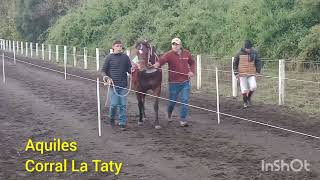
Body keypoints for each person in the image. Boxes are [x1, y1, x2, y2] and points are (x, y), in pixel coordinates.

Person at [153, 38, 195, 127]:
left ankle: (183, 120)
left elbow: (192, 63)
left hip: (185, 82)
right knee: (172, 101)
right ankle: (169, 113)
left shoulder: (186, 53)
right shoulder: (169, 54)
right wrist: (157, 64)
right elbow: (162, 60)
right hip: (174, 83)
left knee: (185, 100)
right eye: (173, 44)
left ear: (180, 45)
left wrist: (192, 71)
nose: (175, 46)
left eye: (176, 44)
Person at [102, 40, 132, 130]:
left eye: (120, 46)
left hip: (123, 85)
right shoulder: (109, 58)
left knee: (123, 105)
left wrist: (133, 70)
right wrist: (107, 78)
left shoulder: (125, 57)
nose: (119, 48)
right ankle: (111, 119)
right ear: (113, 47)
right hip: (113, 86)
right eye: (117, 46)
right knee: (114, 104)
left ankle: (122, 123)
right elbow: (103, 71)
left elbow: (129, 70)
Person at [233, 40, 261, 108]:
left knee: (253, 86)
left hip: (251, 73)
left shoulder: (254, 53)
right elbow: (235, 63)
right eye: (247, 49)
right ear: (245, 48)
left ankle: (248, 97)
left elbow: (258, 61)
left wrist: (258, 70)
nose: (248, 50)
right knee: (244, 89)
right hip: (242, 74)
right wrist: (236, 73)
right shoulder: (239, 54)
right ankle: (245, 102)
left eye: (250, 48)